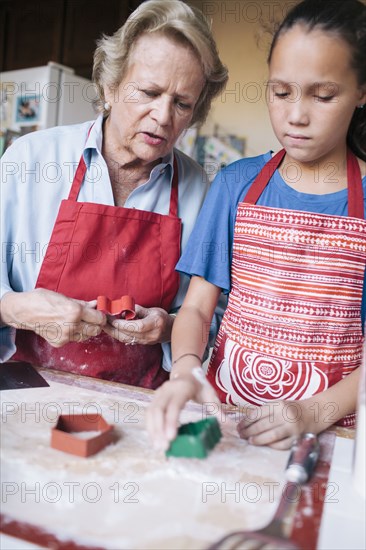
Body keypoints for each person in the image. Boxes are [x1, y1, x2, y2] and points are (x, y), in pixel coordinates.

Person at [147, 0, 366, 449]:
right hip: (225, 419)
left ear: (362, 90)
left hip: (323, 434)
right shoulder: (235, 185)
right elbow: (196, 309)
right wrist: (186, 369)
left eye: (323, 96)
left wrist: (311, 412)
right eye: (281, 92)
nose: (296, 115)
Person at [0, 0, 228, 388]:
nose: (163, 116)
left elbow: (215, 314)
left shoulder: (201, 192)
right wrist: (15, 308)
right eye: (149, 92)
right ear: (110, 85)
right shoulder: (31, 159)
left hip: (138, 402)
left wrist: (169, 326)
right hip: (27, 387)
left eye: (182, 103)